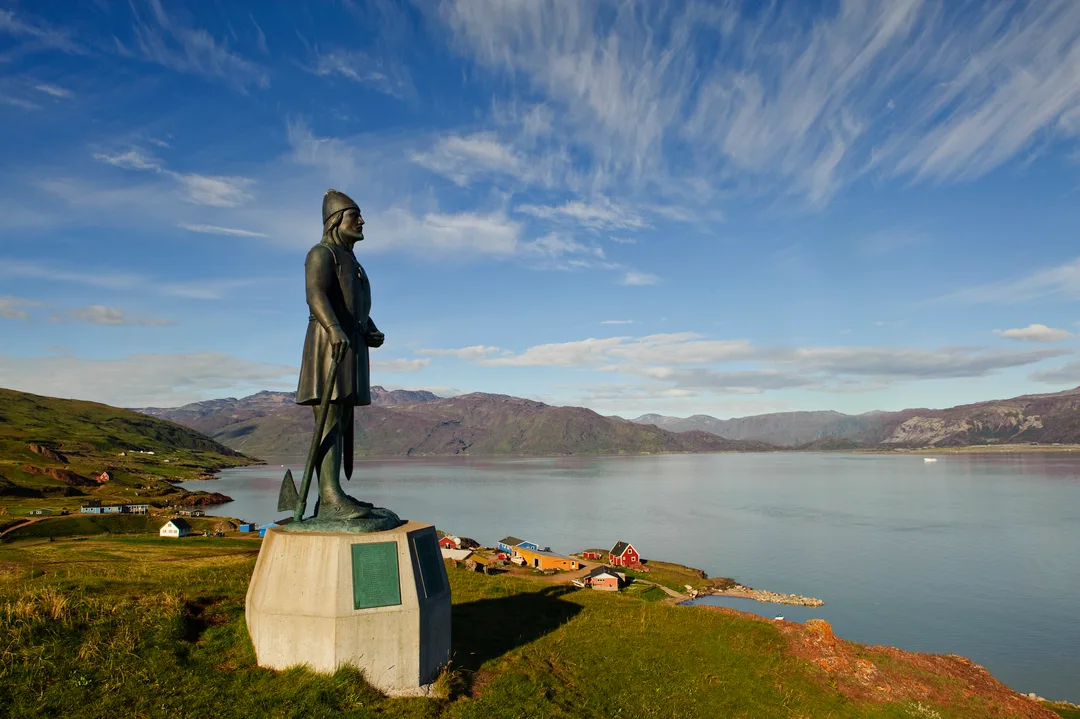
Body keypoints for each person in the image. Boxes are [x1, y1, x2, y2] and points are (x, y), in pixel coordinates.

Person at [295, 189, 384, 521]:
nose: (361, 221)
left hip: (351, 344)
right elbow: (315, 294)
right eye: (354, 215)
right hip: (328, 344)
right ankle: (330, 496)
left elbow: (353, 304)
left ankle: (333, 495)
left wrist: (369, 328)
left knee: (342, 417)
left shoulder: (353, 262)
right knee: (329, 418)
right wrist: (333, 328)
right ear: (335, 221)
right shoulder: (321, 254)